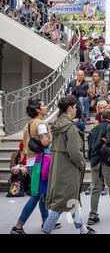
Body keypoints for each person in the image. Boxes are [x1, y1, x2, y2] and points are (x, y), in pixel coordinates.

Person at [42, 97, 95, 234]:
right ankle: (46, 230)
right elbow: (75, 152)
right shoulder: (70, 128)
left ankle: (82, 229)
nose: (76, 109)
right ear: (70, 108)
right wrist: (82, 162)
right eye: (75, 107)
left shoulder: (57, 125)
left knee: (71, 199)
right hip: (68, 169)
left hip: (59, 167)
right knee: (62, 202)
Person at [10, 100, 56, 234]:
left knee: (42, 193)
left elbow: (24, 146)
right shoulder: (41, 124)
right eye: (43, 105)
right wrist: (50, 136)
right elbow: (44, 141)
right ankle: (18, 226)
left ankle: (45, 222)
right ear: (38, 110)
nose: (46, 107)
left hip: (31, 161)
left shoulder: (29, 124)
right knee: (36, 195)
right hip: (40, 162)